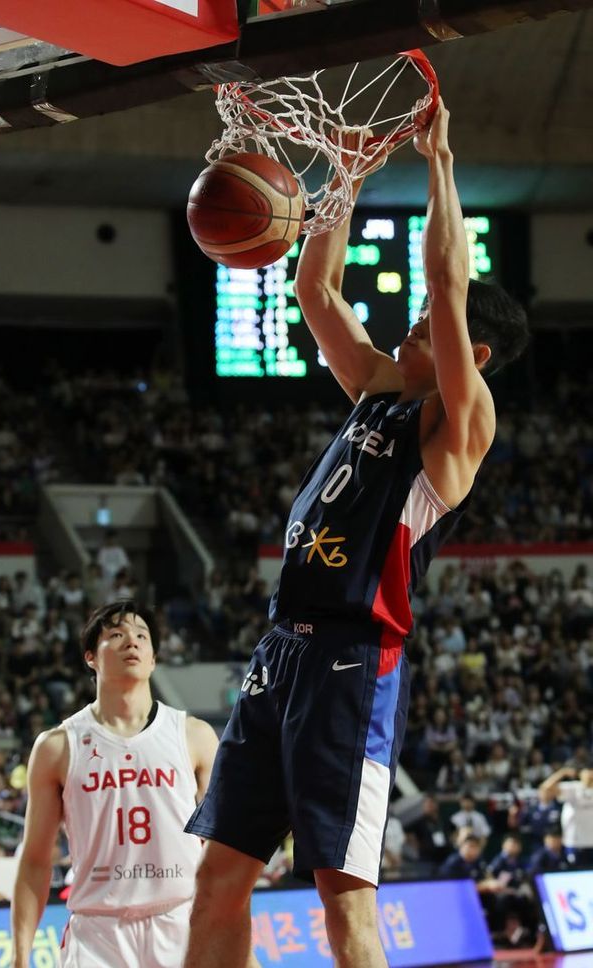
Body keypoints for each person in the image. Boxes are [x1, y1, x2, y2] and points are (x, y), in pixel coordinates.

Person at [183, 101, 529, 968]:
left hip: (353, 663)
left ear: (472, 354)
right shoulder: (378, 387)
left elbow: (449, 289)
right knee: (219, 878)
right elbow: (314, 289)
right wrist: (346, 175)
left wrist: (439, 161)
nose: (411, 322)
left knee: (345, 904)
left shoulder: (459, 425)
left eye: (427, 324)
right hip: (280, 649)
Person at [11, 600, 219, 968]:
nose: (132, 641)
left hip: (180, 922)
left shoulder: (195, 736)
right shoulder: (57, 746)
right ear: (91, 656)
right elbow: (35, 859)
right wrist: (19, 955)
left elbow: (224, 851)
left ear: (154, 658)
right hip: (97, 933)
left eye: (142, 635)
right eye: (117, 634)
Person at [539, 765, 593, 866]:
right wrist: (562, 773)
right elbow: (545, 789)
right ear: (581, 774)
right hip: (575, 842)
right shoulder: (573, 788)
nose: (590, 775)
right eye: (587, 772)